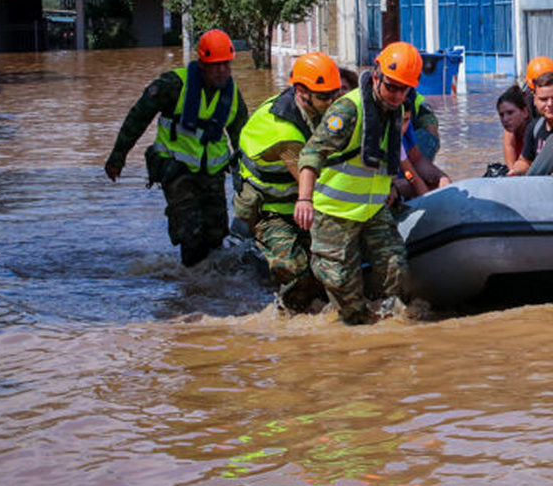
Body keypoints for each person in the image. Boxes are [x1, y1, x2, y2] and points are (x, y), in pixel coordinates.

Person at [294, 41, 421, 325]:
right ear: (376, 76)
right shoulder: (348, 111)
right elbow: (312, 153)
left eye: (405, 89)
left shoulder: (396, 109)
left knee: (397, 271)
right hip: (333, 213)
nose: (398, 95)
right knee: (346, 293)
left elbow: (384, 156)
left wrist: (388, 186)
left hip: (373, 209)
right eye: (392, 87)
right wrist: (304, 199)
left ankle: (396, 331)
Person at [104, 28, 248, 267]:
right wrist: (118, 156)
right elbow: (138, 117)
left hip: (211, 172)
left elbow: (243, 142)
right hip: (175, 167)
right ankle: (189, 291)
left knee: (216, 235)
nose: (222, 70)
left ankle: (211, 292)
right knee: (190, 231)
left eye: (226, 65)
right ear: (202, 63)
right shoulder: (173, 85)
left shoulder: (232, 96)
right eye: (216, 65)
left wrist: (247, 180)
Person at [233, 52, 344, 314]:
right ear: (301, 92)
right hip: (270, 211)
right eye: (324, 96)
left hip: (296, 204)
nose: (331, 102)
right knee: (297, 269)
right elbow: (316, 181)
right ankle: (291, 315)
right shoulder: (285, 133)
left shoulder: (312, 108)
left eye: (334, 94)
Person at [394, 97, 452, 199]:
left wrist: (441, 177)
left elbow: (416, 160)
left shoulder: (405, 130)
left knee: (434, 183)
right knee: (409, 185)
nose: (402, 127)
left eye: (406, 120)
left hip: (404, 176)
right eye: (399, 120)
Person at [496, 84, 532, 167]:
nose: (505, 119)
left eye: (510, 113)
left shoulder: (536, 131)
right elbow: (511, 171)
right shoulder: (510, 131)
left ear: (524, 112)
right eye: (501, 115)